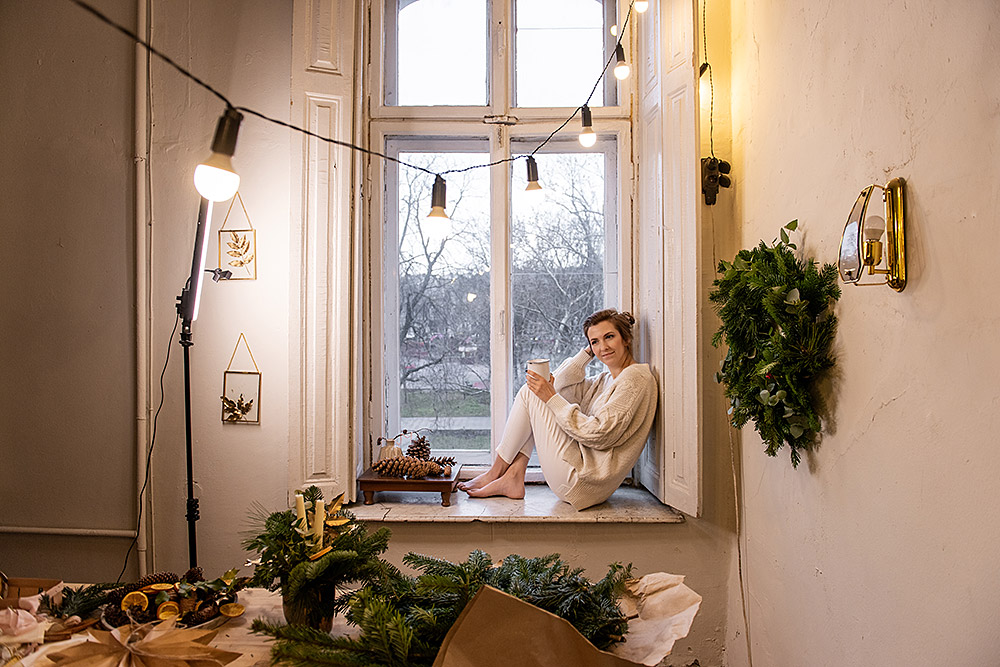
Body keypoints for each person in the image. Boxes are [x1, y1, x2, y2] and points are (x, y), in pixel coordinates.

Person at [459, 309, 658, 510]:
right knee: (536, 391)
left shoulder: (635, 379)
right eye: (595, 341)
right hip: (579, 475)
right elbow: (560, 385)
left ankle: (496, 473)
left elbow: (600, 434)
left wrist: (550, 396)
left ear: (626, 339)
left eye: (609, 337)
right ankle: (513, 475)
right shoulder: (605, 379)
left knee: (533, 394)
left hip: (583, 481)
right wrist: (586, 354)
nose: (603, 347)